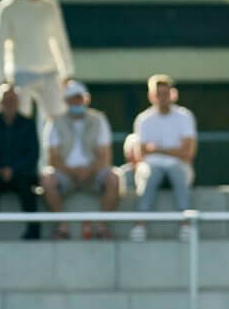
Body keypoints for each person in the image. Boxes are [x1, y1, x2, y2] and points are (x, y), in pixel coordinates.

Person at [0, 0, 74, 122]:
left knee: (60, 118)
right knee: (20, 120)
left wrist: (67, 73)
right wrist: (2, 80)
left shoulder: (50, 6)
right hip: (21, 73)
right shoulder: (9, 7)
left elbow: (60, 40)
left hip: (49, 72)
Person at [40, 81, 120, 239]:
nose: (76, 102)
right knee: (47, 180)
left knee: (114, 179)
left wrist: (88, 170)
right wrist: (71, 171)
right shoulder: (55, 122)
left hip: (93, 173)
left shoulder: (98, 119)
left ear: (86, 99)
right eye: (72, 99)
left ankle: (101, 225)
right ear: (66, 101)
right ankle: (62, 225)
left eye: (79, 98)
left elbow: (104, 155)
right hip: (65, 173)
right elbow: (53, 157)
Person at [130, 74, 197, 242]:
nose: (162, 97)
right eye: (158, 93)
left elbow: (188, 152)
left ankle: (186, 224)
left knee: (179, 174)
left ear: (172, 94)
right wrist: (173, 150)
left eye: (165, 93)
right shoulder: (143, 120)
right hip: (152, 166)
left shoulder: (185, 116)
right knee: (148, 175)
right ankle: (140, 225)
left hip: (178, 166)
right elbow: (141, 154)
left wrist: (157, 149)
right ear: (151, 96)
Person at [0, 84, 40, 240]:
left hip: (21, 174)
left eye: (13, 100)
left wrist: (14, 169)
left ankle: (33, 231)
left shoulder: (28, 124)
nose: (9, 103)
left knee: (28, 188)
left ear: (18, 102)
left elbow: (33, 154)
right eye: (6, 100)